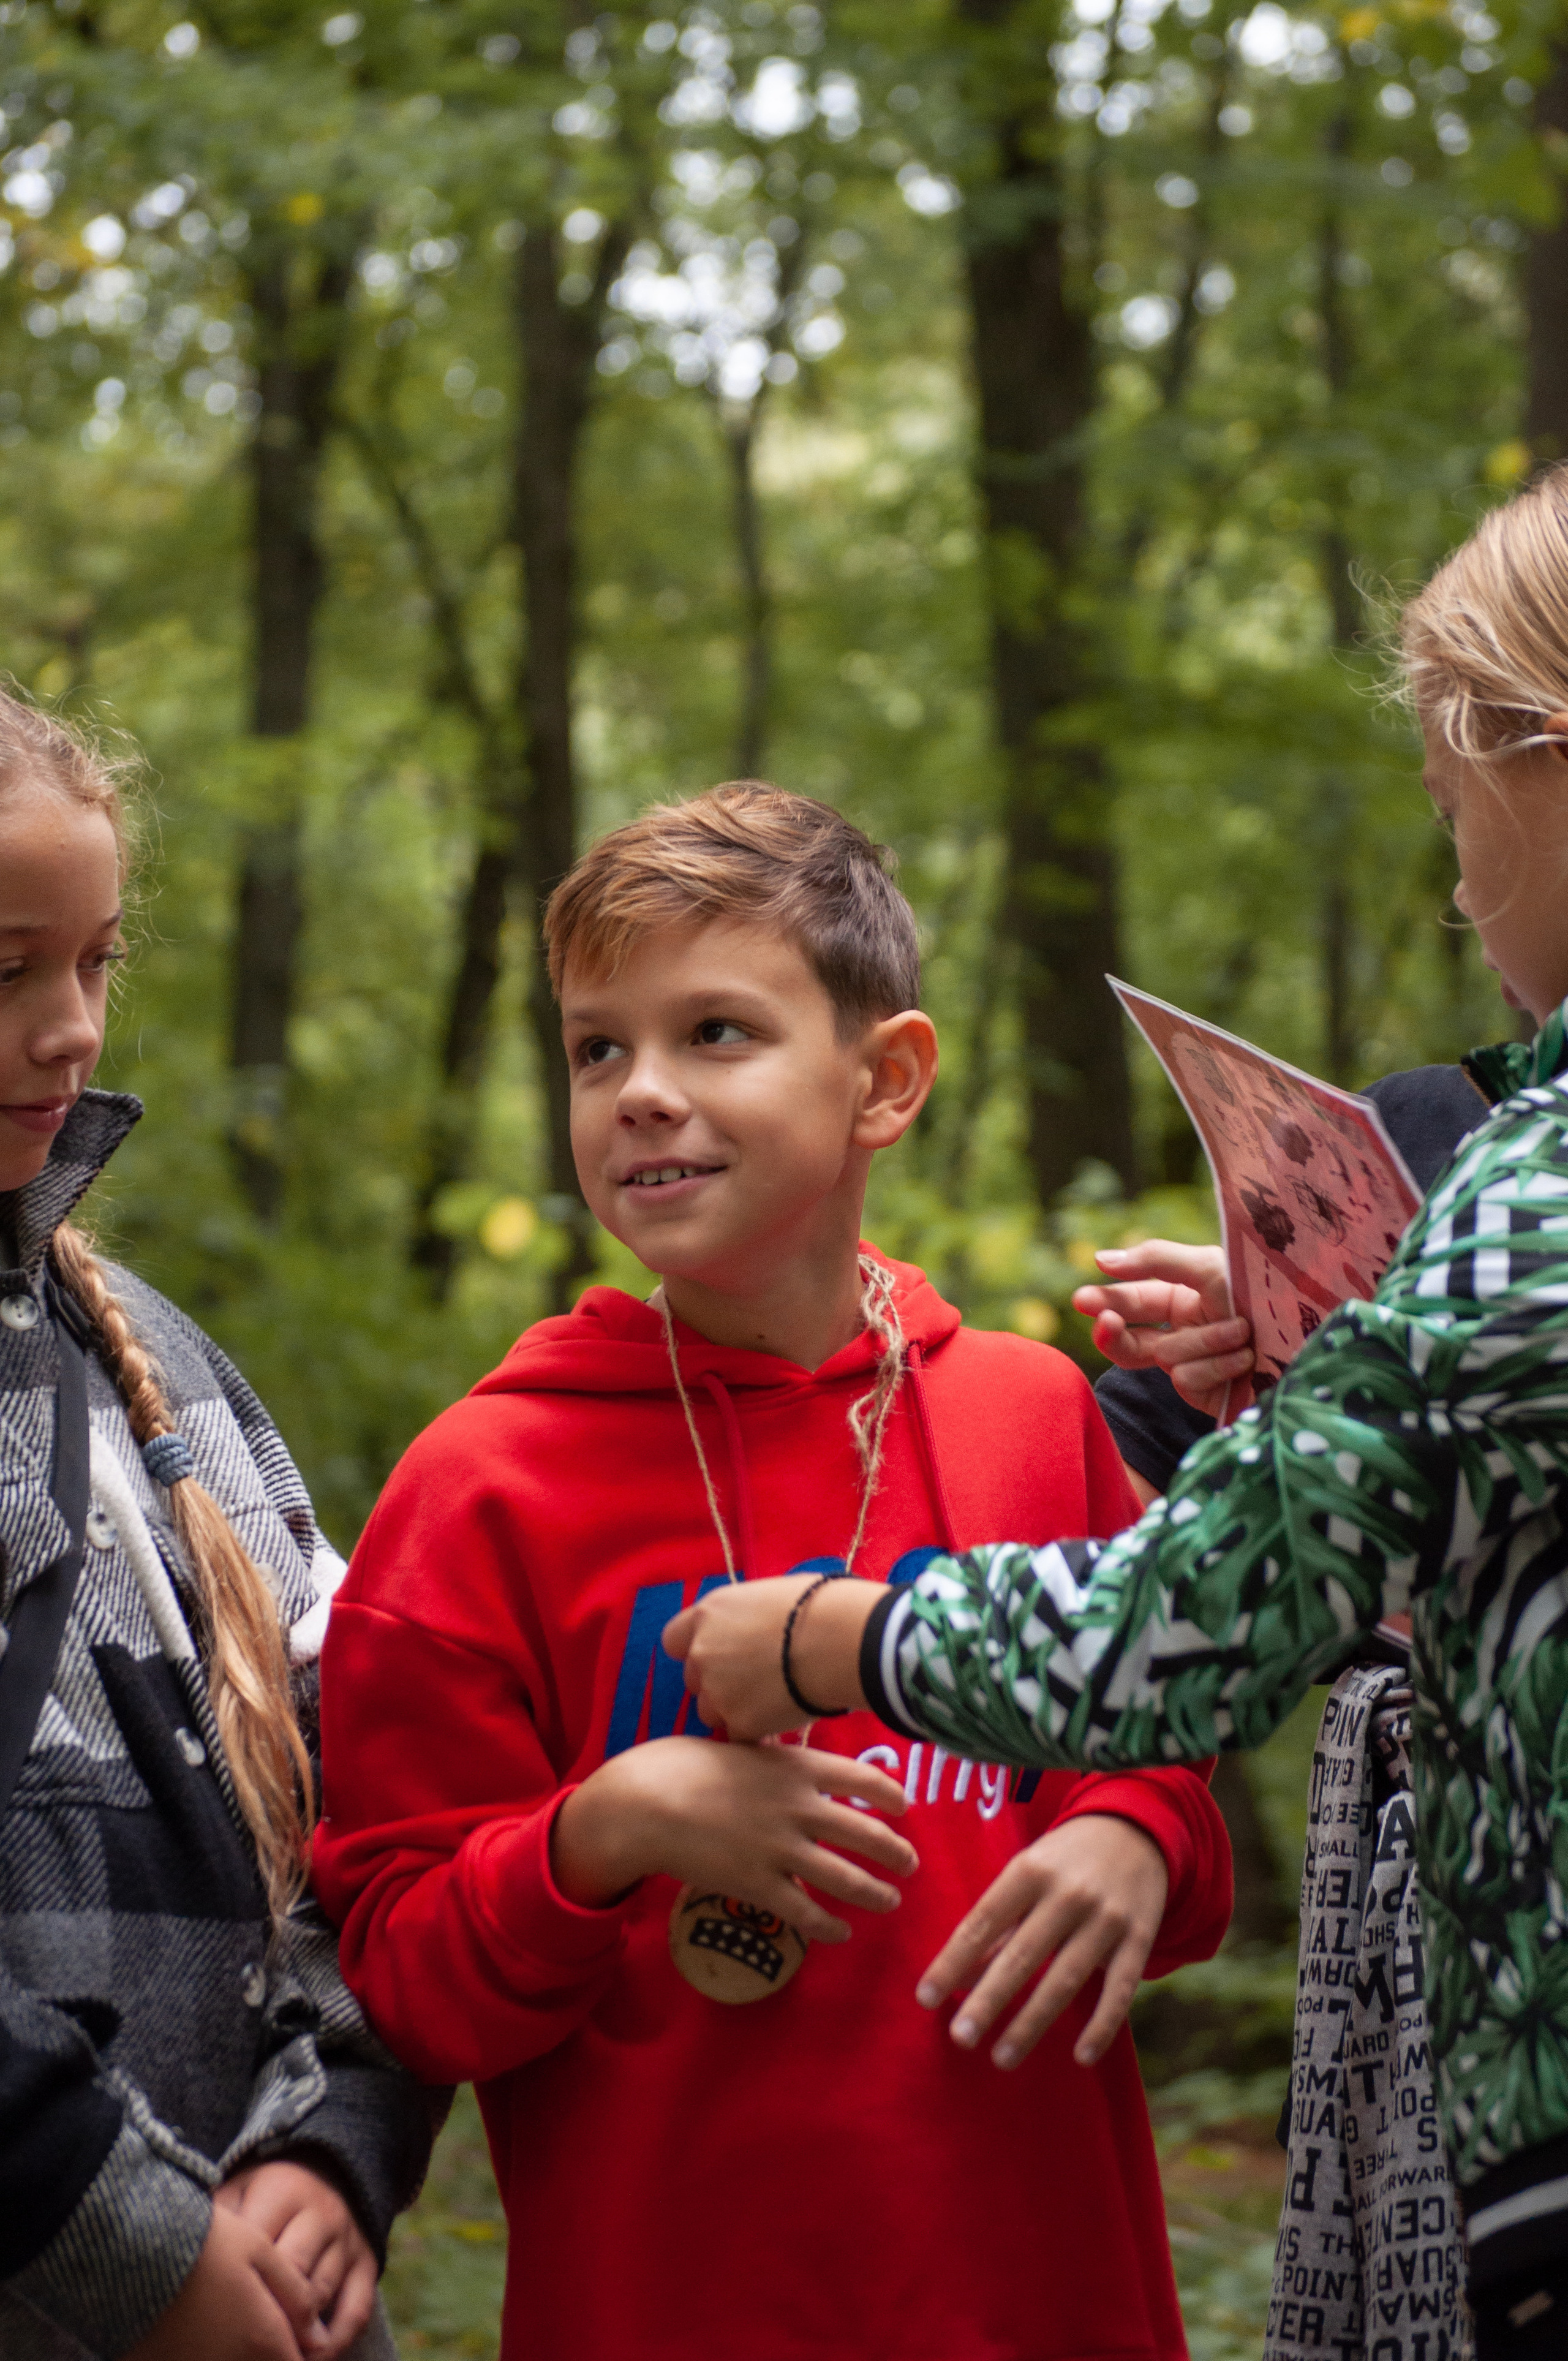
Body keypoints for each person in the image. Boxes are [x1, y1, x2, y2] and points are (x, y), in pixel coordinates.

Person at [665, 464, 1568, 2361]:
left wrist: (827, 1633)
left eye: (1449, 800)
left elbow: (1189, 1624)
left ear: (1537, 756)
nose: (1455, 868)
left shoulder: (1537, 1194)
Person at [313, 785, 1233, 2361]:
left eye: (716, 1032)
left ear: (883, 1082)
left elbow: (1164, 1766)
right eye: (598, 1047)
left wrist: (1140, 1834)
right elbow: (401, 1981)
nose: (641, 1092)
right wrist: (604, 1833)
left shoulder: (1029, 1420)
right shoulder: (481, 1487)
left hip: (1034, 2299)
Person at [0, 693, 432, 2361]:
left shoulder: (171, 1370)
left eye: (97, 961)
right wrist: (130, 2245)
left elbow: (392, 1799)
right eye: (9, 970)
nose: (71, 1030)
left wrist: (336, 2147)